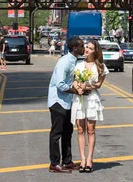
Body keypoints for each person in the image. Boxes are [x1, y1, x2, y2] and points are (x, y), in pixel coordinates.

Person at [48, 36, 85, 173]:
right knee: (56, 133)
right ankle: (54, 163)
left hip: (67, 101)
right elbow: (60, 84)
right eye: (81, 46)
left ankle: (67, 161)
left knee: (67, 131)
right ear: (75, 48)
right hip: (58, 101)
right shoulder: (65, 62)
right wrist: (77, 91)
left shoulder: (74, 61)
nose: (84, 48)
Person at [72, 40, 109, 172]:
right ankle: (82, 159)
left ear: (96, 51)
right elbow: (75, 80)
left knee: (91, 129)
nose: (87, 50)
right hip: (80, 98)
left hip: (92, 98)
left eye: (90, 48)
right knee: (80, 129)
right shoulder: (79, 64)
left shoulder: (101, 67)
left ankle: (89, 159)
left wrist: (86, 86)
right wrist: (78, 88)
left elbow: (98, 84)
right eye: (86, 47)